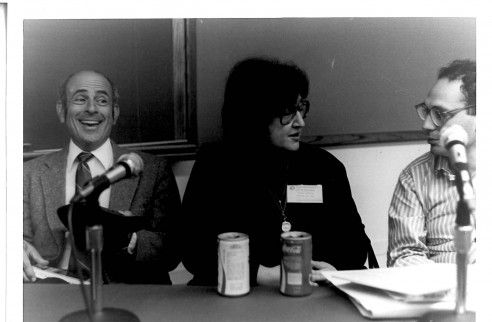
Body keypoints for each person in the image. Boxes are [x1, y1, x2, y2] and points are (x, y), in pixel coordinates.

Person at [181, 57, 375, 286]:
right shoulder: (215, 165)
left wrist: (334, 270)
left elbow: (354, 245)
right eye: (288, 112)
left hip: (312, 294)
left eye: (300, 108)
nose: (300, 122)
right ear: (255, 115)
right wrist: (258, 274)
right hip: (240, 296)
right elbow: (192, 251)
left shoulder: (325, 167)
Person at [23, 70, 182, 284]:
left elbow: (173, 250)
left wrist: (128, 238)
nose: (91, 108)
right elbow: (15, 241)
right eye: (80, 99)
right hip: (52, 297)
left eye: (102, 100)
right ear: (62, 110)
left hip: (131, 301)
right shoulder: (29, 174)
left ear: (115, 112)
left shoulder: (153, 170)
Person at [387, 59, 476, 267]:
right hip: (440, 296)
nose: (426, 125)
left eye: (440, 114)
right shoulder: (414, 178)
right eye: (427, 112)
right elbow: (404, 257)